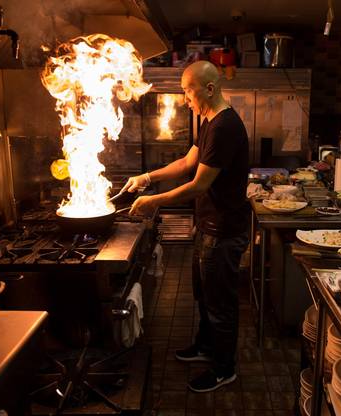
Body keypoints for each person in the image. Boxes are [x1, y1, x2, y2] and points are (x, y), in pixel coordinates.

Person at [125, 60, 249, 393]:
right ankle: (206, 347)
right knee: (204, 294)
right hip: (208, 226)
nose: (184, 99)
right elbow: (187, 163)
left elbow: (197, 185)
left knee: (219, 301)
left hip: (223, 231)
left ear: (209, 88)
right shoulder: (209, 122)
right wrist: (147, 178)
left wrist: (153, 201)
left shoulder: (225, 127)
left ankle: (224, 369)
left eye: (187, 90)